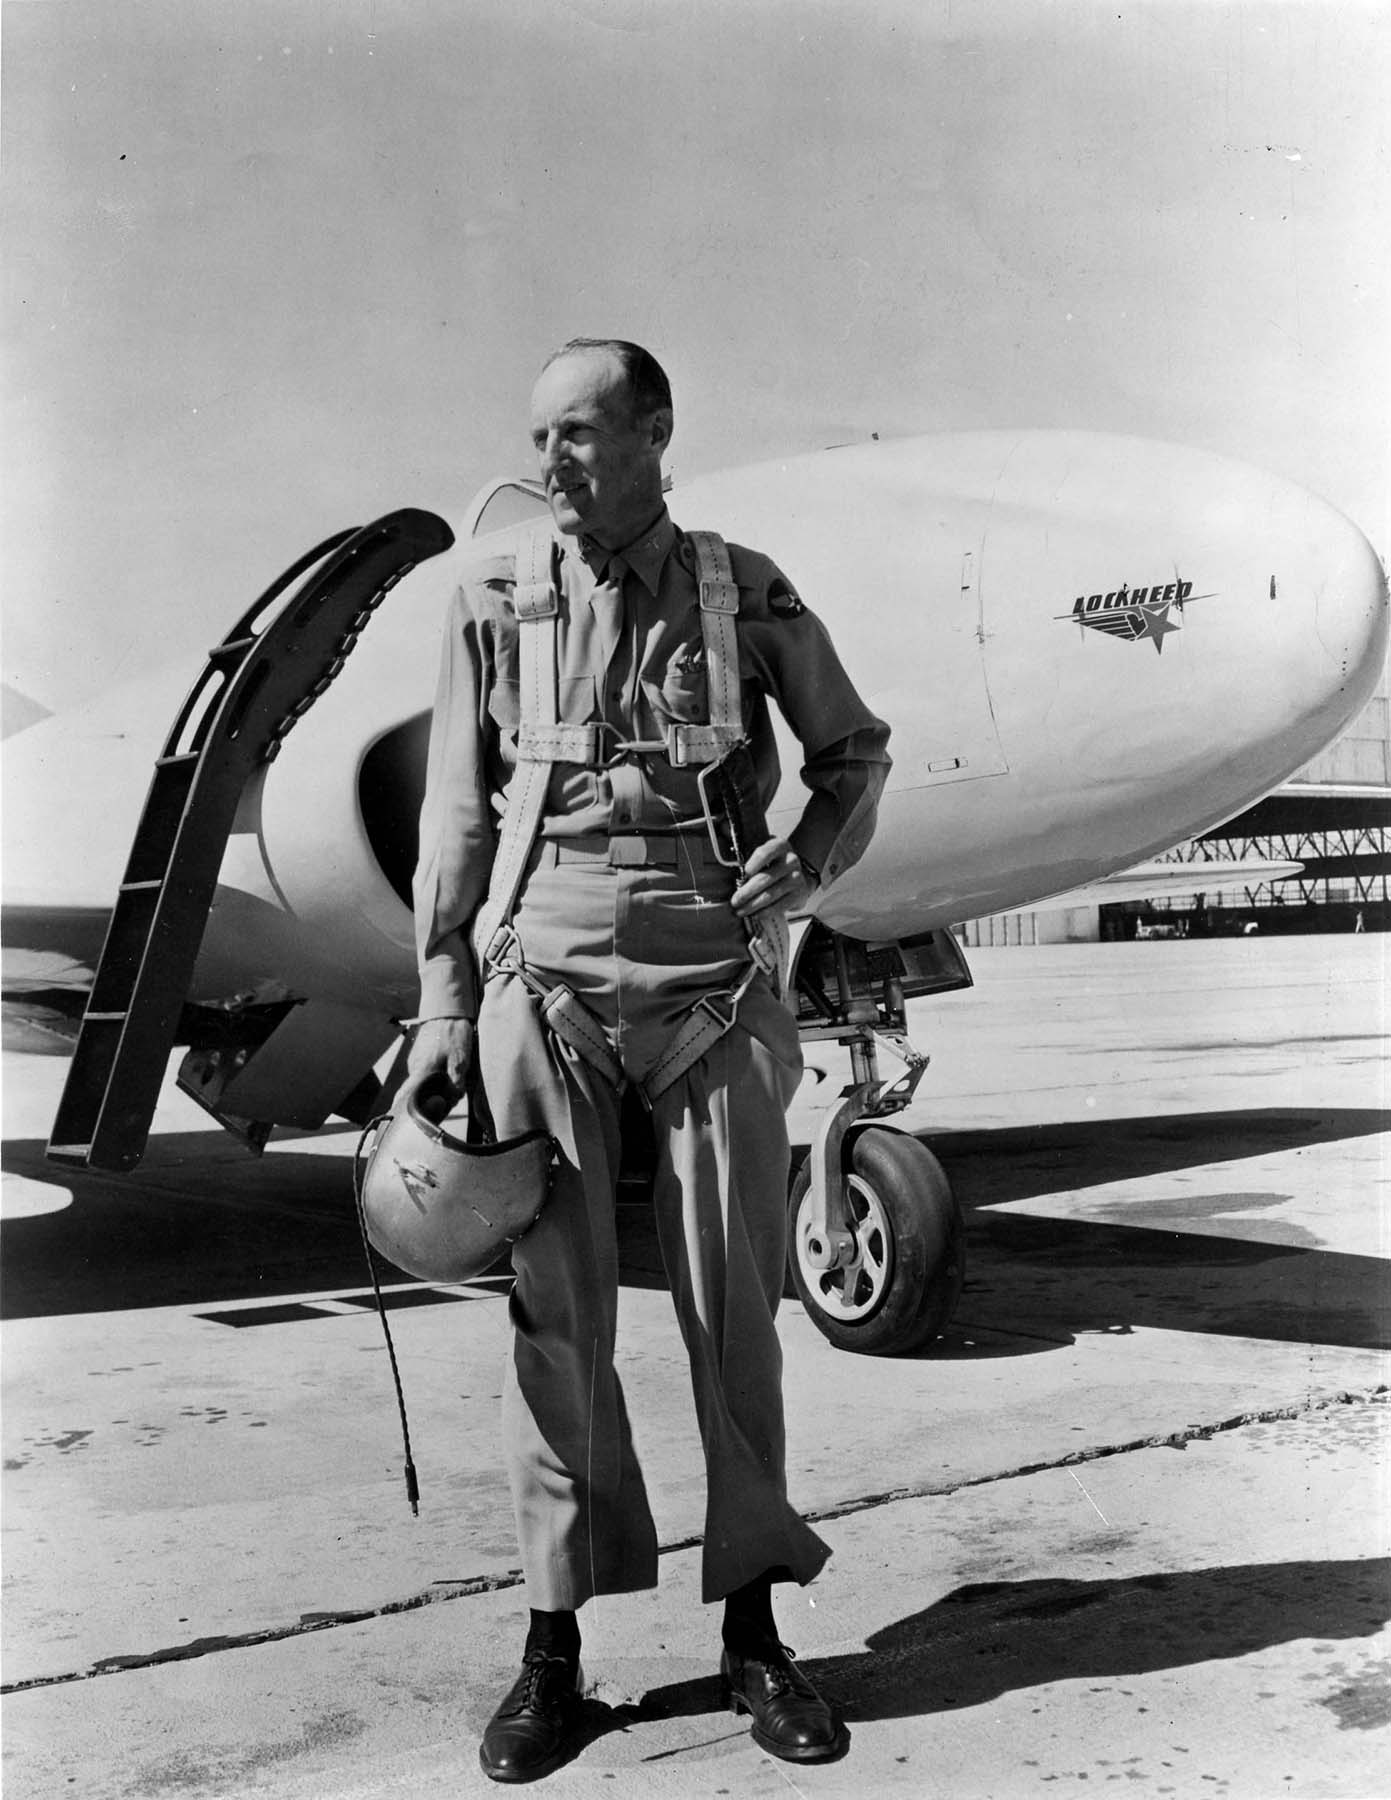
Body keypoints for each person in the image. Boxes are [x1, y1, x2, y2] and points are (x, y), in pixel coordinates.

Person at [409, 338, 891, 1782]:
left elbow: (854, 752)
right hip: (538, 974)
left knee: (733, 1312)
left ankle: (753, 1634)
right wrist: (442, 1001)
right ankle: (553, 1653)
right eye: (538, 438)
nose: (550, 462)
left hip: (716, 977)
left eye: (577, 435)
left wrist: (803, 864)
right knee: (555, 1322)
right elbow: (457, 813)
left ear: (655, 432)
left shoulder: (743, 586)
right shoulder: (491, 590)